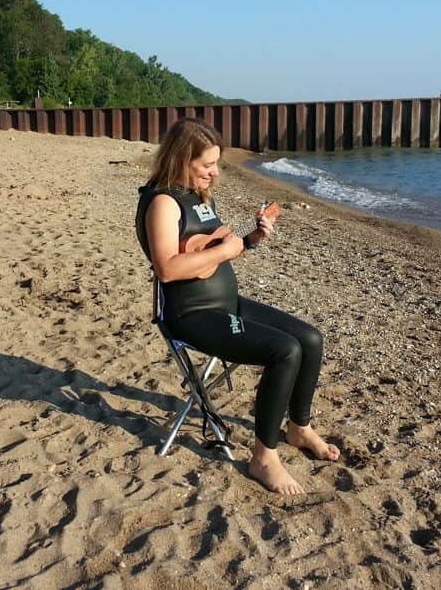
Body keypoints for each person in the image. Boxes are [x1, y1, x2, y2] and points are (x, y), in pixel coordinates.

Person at [135, 117, 340, 495]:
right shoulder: (163, 203)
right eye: (206, 165)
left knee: (310, 339)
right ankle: (263, 458)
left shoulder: (196, 196)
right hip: (192, 315)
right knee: (284, 351)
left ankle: (299, 427)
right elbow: (167, 268)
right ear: (181, 160)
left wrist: (254, 237)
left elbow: (215, 252)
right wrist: (229, 248)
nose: (214, 173)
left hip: (226, 303)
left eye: (216, 163)